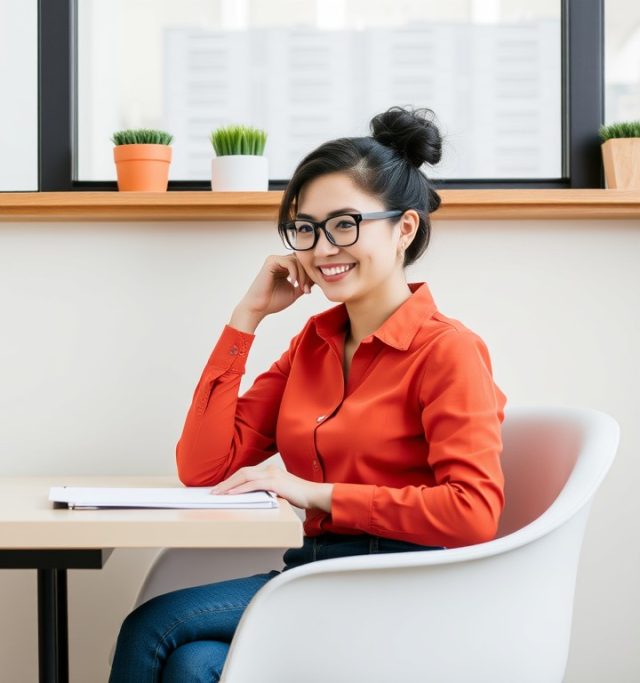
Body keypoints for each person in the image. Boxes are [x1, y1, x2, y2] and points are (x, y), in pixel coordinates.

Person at [108, 106, 507, 683]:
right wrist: (245, 319)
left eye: (345, 224)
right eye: (306, 228)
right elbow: (204, 467)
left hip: (404, 589)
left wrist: (314, 492)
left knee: (155, 625)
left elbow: (473, 512)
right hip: (316, 572)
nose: (323, 248)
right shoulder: (314, 343)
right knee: (194, 665)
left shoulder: (447, 350)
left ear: (405, 229)